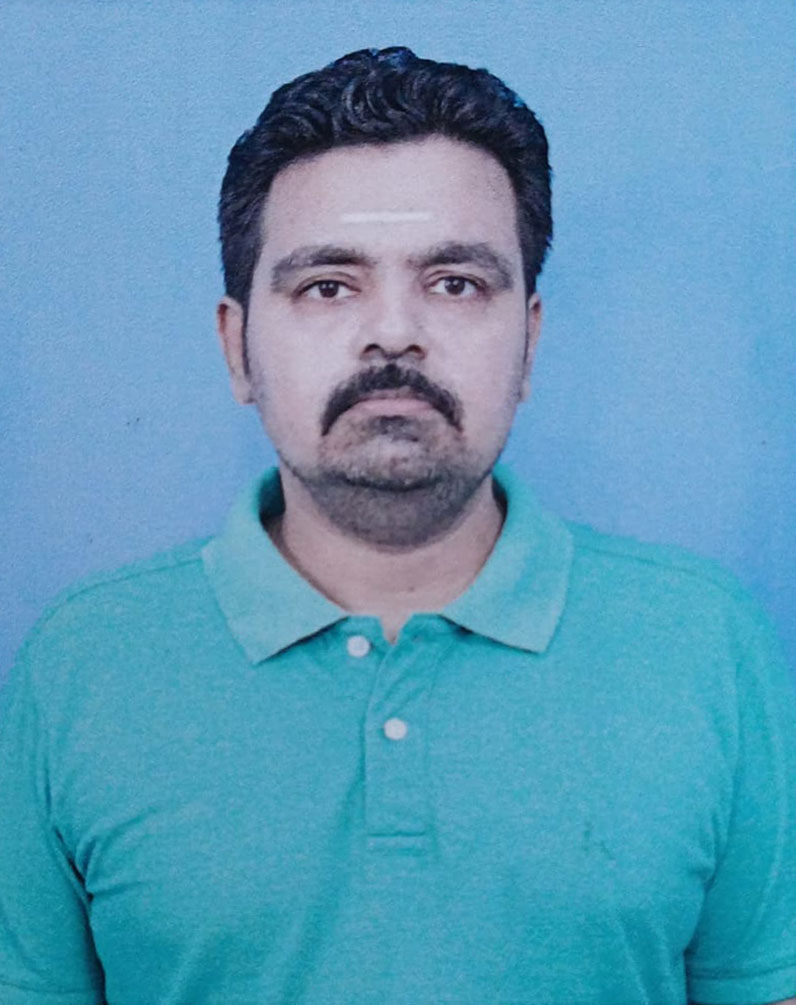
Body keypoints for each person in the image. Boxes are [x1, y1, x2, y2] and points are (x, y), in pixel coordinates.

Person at [1, 45, 794, 1005]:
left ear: (530, 343)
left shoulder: (704, 644)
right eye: (327, 285)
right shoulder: (83, 665)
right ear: (237, 348)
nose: (394, 332)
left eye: (455, 282)